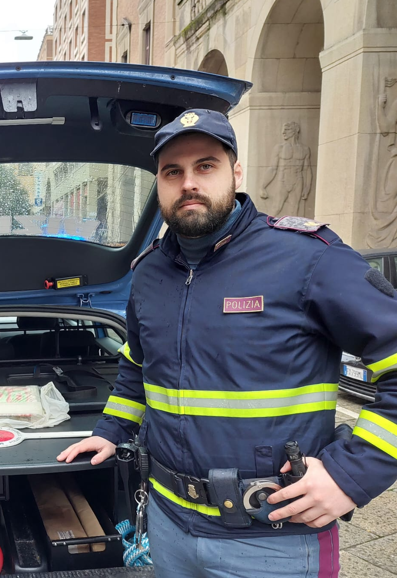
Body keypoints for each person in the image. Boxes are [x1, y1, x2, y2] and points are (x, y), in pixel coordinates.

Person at [57, 109, 397, 577]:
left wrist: (350, 475)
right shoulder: (149, 273)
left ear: (236, 173)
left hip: (274, 537)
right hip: (170, 526)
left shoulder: (308, 259)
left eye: (206, 166)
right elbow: (138, 366)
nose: (188, 183)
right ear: (159, 184)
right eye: (172, 171)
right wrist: (111, 431)